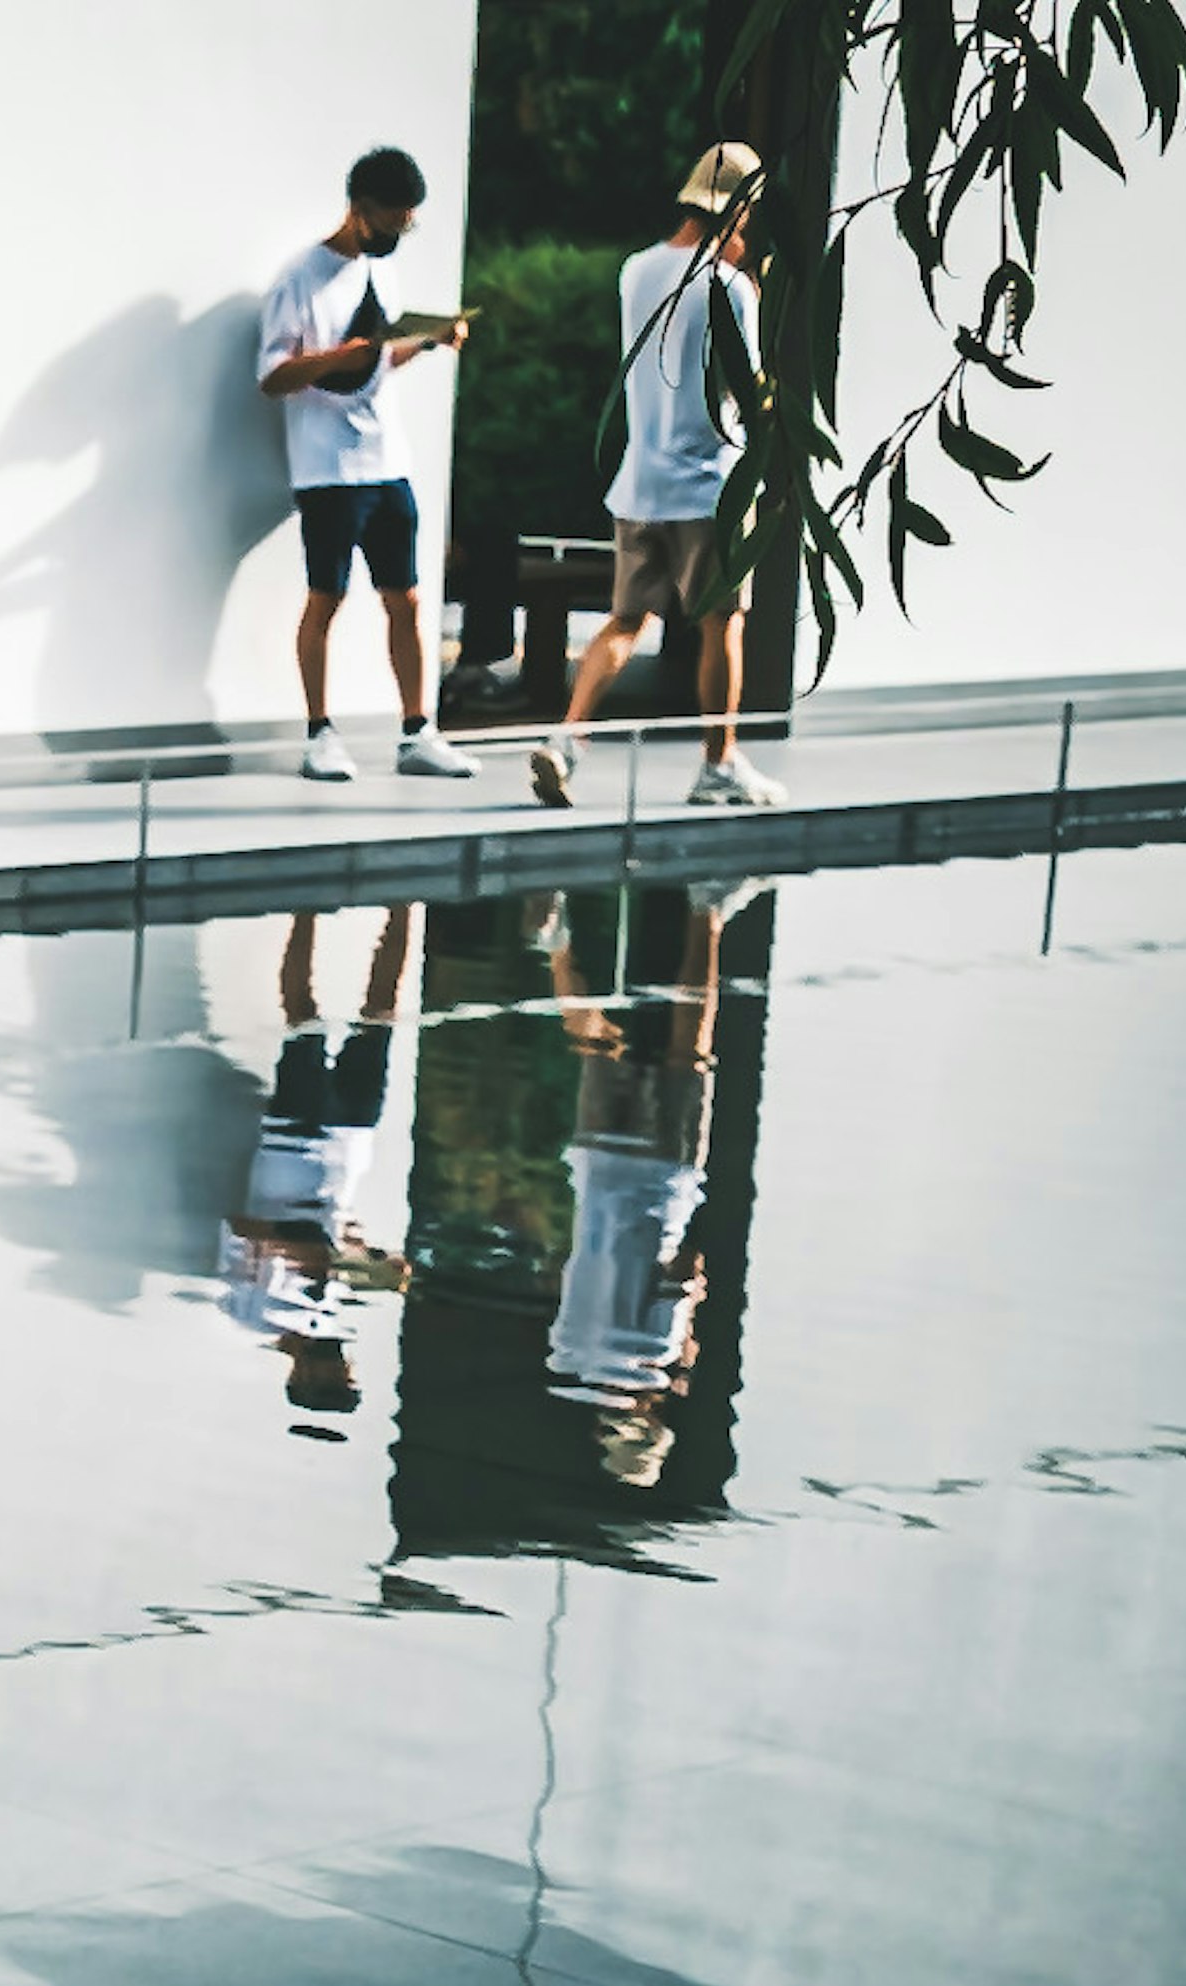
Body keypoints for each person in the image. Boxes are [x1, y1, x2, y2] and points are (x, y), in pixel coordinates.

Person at [533, 146, 782, 814]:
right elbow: (749, 389)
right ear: (736, 208)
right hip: (708, 485)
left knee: (623, 621)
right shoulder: (729, 287)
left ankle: (566, 741)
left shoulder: (635, 271)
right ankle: (719, 763)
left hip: (639, 481)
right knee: (721, 623)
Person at [258, 148, 474, 788]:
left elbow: (373, 366)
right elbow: (272, 376)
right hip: (326, 469)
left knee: (405, 599)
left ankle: (417, 731)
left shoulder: (382, 273)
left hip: (388, 462)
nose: (396, 235)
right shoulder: (299, 278)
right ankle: (319, 734)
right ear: (359, 209)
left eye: (408, 225)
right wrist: (335, 356)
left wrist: (426, 343)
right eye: (391, 222)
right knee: (326, 598)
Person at [529, 881, 742, 1483]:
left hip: (662, 1179)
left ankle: (707, 911)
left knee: (689, 1050)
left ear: (651, 1418)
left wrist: (690, 1329)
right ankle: (557, 947)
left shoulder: (653, 1357)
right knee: (594, 1047)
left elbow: (686, 1270)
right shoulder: (566, 1355)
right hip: (596, 1171)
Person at [221, 908, 417, 1424]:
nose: (345, 1370)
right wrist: (364, 1252)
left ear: (301, 1377)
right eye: (349, 1377)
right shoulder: (332, 1313)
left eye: (335, 1381)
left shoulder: (252, 1313)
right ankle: (405, 909)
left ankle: (305, 912)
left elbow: (241, 1228)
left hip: (294, 1141)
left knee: (302, 1017)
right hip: (350, 1142)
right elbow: (332, 1236)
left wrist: (312, 1254)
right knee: (381, 1017)